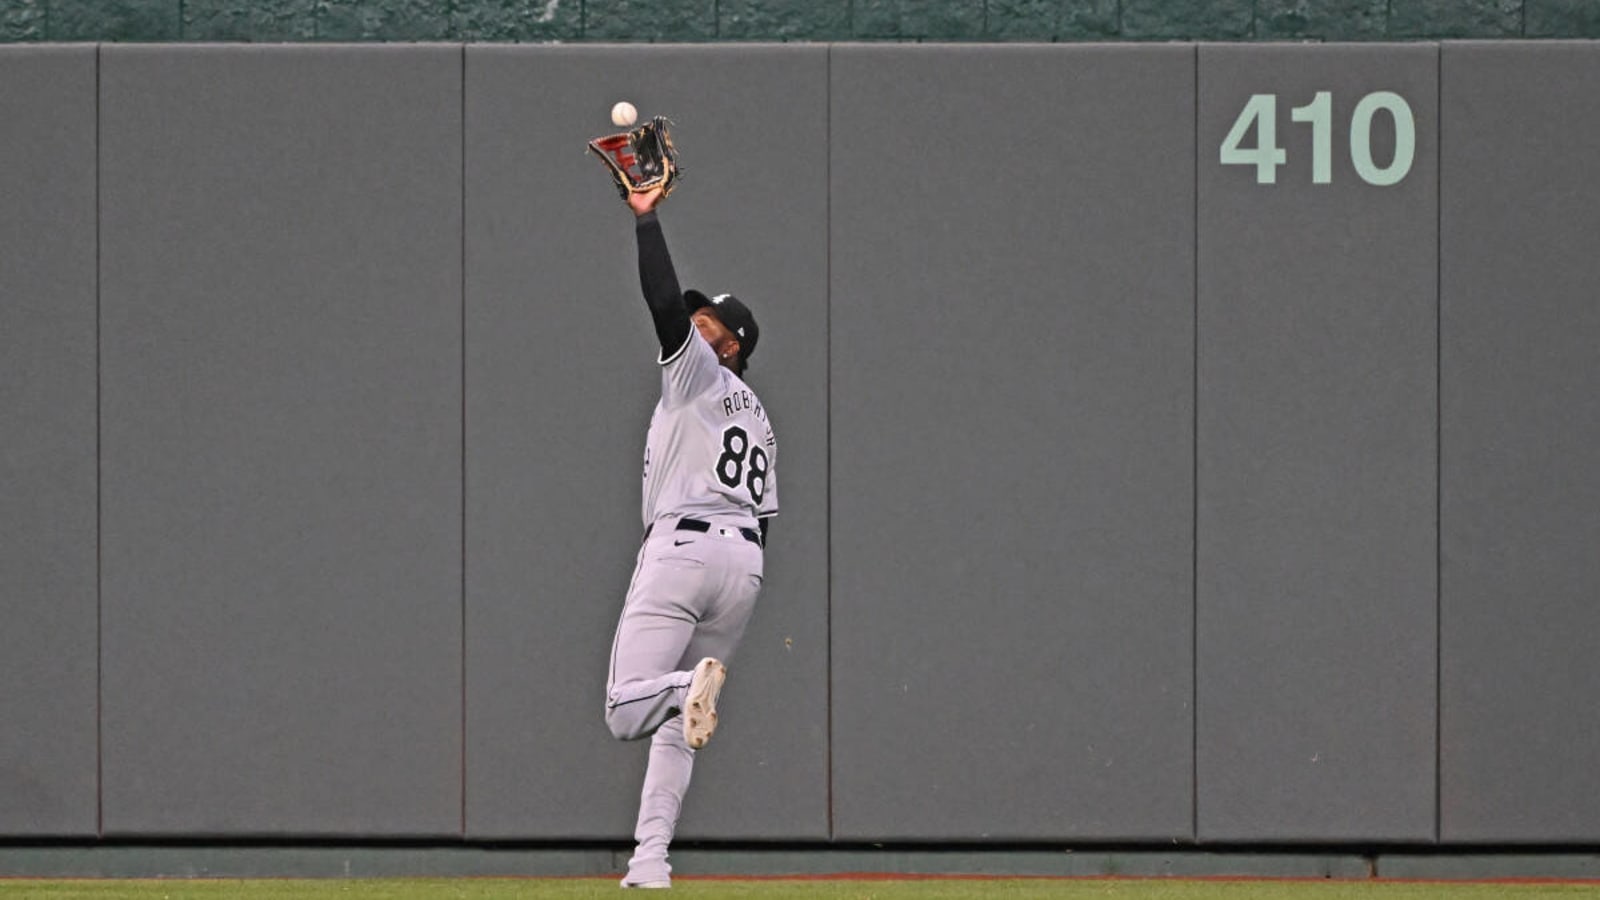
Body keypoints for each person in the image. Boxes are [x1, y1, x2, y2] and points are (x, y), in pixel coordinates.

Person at [602, 185, 778, 889]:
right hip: (745, 566)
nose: (694, 325)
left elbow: (661, 302)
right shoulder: (758, 417)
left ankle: (683, 683)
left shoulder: (698, 374)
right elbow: (765, 517)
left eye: (710, 324)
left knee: (626, 708)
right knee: (681, 725)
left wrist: (646, 219)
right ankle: (650, 861)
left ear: (731, 347)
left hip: (684, 547)